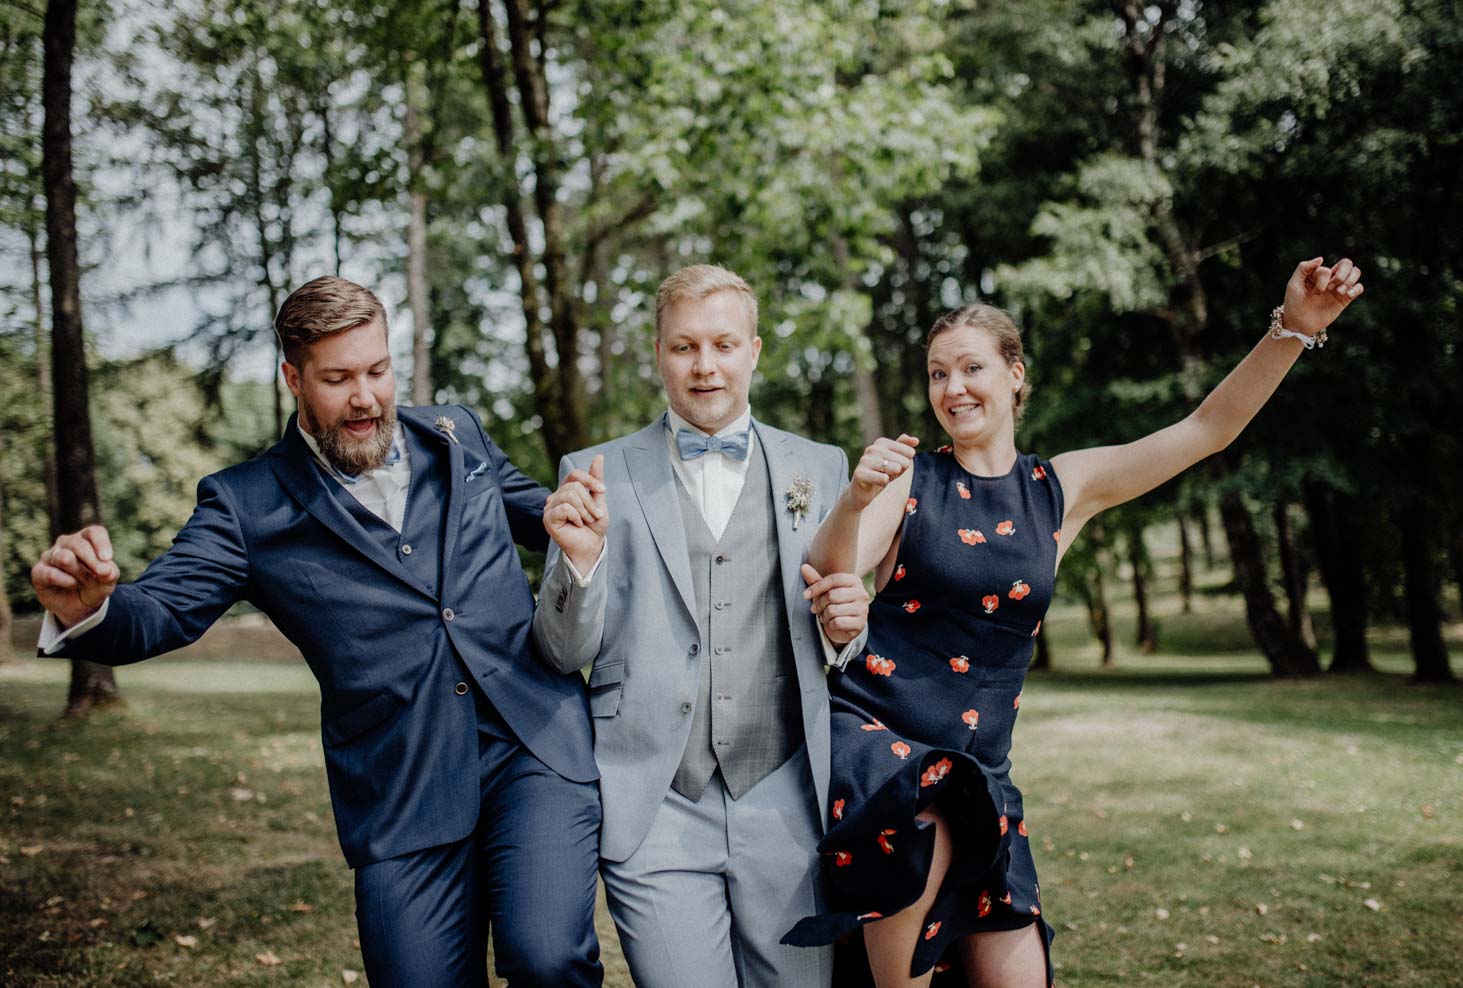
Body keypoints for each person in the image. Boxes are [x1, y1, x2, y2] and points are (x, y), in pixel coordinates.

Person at [783, 258, 1367, 986]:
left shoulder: (1060, 490)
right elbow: (830, 571)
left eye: (971, 368)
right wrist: (853, 500)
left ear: (1015, 374)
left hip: (980, 772)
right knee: (919, 850)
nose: (953, 388)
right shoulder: (910, 479)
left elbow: (1206, 429)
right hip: (883, 748)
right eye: (938, 374)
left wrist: (1294, 330)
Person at [30, 276, 610, 988]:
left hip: (535, 745)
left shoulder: (460, 435)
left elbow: (552, 518)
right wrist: (86, 606)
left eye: (377, 370)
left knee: (548, 958)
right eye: (337, 379)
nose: (365, 397)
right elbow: (160, 611)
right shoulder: (245, 505)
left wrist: (583, 518)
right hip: (401, 785)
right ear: (292, 379)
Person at [532, 264, 872, 987]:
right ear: (659, 354)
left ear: (754, 350)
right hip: (654, 801)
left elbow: (839, 622)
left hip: (787, 800)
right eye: (684, 347)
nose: (705, 366)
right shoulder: (594, 472)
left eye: (722, 344)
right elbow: (562, 653)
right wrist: (580, 566)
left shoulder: (821, 466)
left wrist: (847, 628)